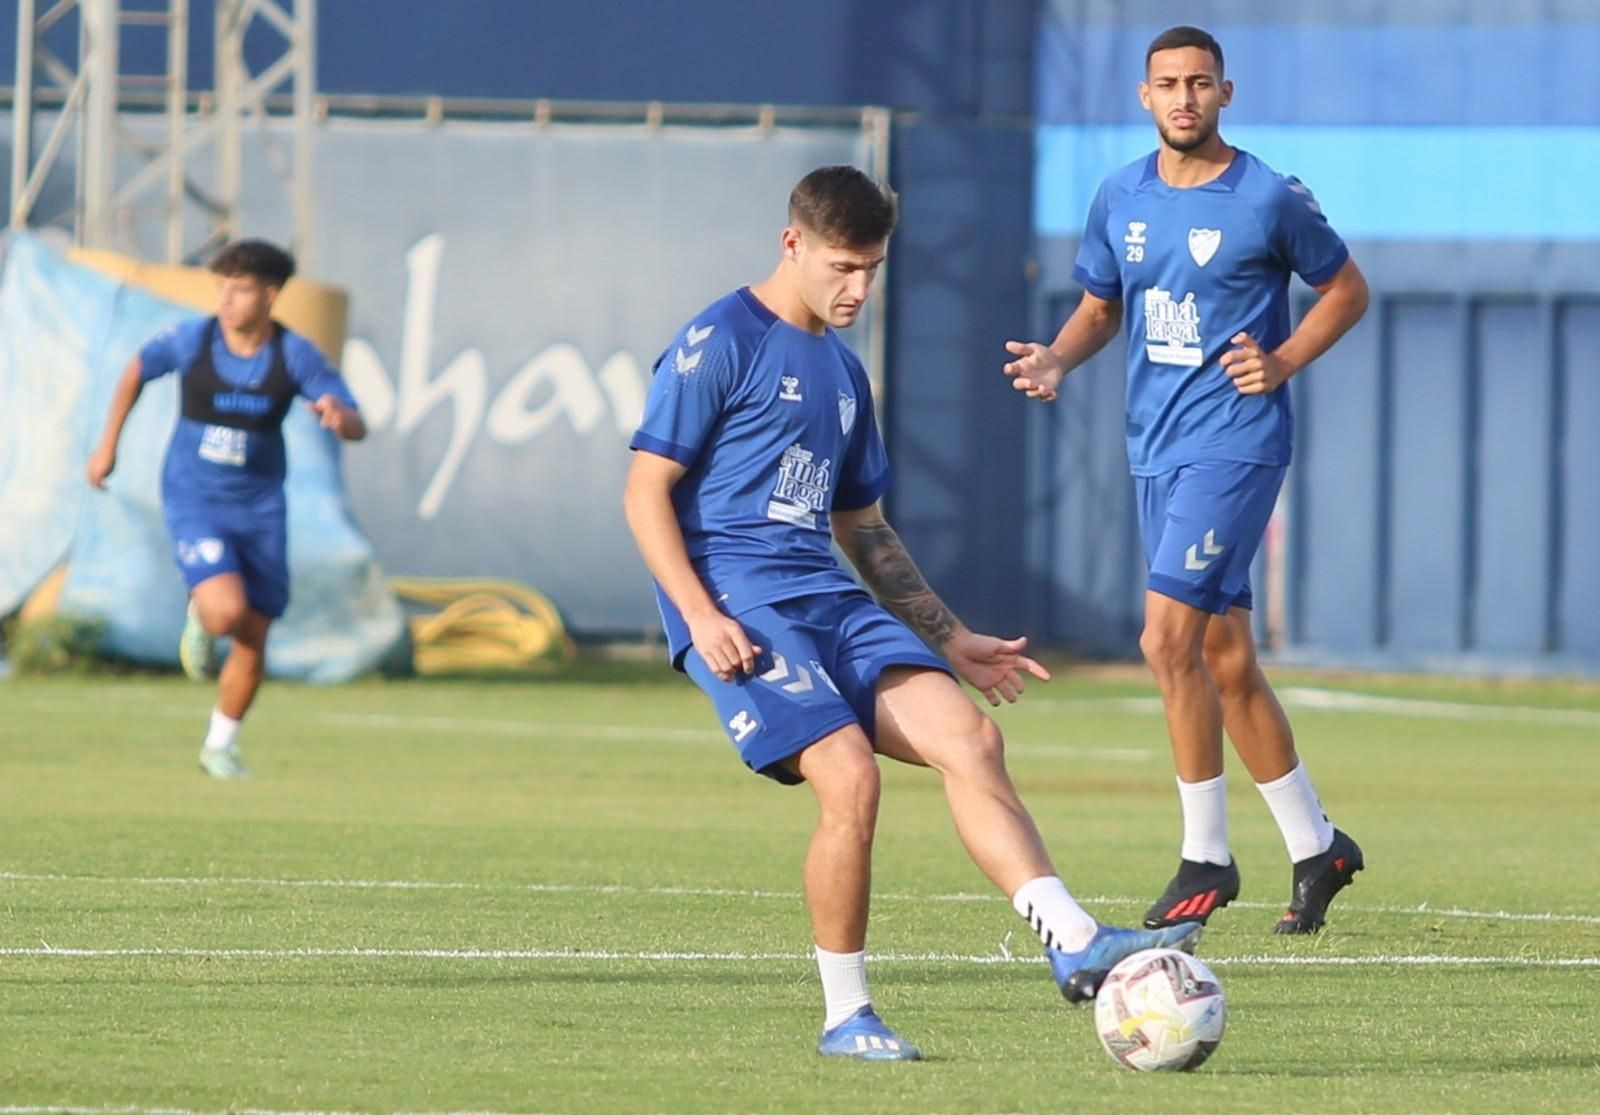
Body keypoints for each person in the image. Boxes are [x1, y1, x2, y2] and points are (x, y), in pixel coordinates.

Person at [624, 165, 1200, 1062]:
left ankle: (1074, 938)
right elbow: (643, 492)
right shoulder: (719, 340)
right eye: (843, 267)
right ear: (793, 244)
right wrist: (699, 614)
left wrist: (952, 636)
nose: (859, 289)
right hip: (740, 603)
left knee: (971, 739)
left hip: (825, 596)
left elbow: (862, 526)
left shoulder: (843, 372)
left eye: (873, 269)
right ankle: (846, 1015)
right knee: (851, 777)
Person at [1005, 26, 1371, 935]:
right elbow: (1101, 308)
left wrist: (1281, 361)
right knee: (1224, 656)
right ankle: (1317, 845)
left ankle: (1206, 856)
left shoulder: (1266, 197)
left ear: (1224, 93)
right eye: (1167, 84)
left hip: (1236, 446)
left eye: (1199, 83)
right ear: (1145, 96)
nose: (1183, 98)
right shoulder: (1119, 195)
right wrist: (1057, 358)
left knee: (1165, 639)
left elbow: (1347, 290)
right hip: (1155, 451)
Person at [86, 239, 366, 779]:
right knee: (224, 613)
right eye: (222, 288)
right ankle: (201, 610)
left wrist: (339, 416)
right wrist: (107, 447)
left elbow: (356, 423)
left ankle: (219, 746)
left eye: (239, 290)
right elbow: (136, 370)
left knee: (253, 634)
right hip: (195, 499)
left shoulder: (293, 355)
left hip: (261, 510)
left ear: (270, 295)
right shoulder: (194, 340)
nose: (226, 300)